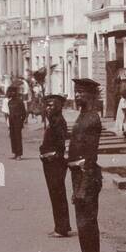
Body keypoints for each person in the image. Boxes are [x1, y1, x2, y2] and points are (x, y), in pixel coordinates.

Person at [66, 78, 104, 252]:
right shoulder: (84, 116)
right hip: (80, 175)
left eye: (81, 92)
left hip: (86, 177)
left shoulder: (91, 119)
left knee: (86, 224)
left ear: (91, 95)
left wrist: (82, 187)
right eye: (76, 92)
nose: (78, 95)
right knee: (83, 224)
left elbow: (90, 157)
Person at [39, 93, 72, 238]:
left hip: (55, 164)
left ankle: (61, 228)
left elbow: (60, 146)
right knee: (56, 194)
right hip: (51, 163)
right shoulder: (54, 121)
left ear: (58, 106)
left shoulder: (58, 122)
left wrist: (49, 155)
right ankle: (61, 226)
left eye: (51, 105)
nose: (47, 108)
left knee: (57, 194)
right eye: (46, 105)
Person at [6, 82, 27, 159]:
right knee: (12, 137)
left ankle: (19, 154)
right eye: (11, 92)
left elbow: (24, 113)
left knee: (18, 137)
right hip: (11, 121)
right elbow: (9, 113)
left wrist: (21, 121)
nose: (12, 93)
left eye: (14, 91)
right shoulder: (9, 102)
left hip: (18, 121)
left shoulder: (20, 102)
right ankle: (15, 152)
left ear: (16, 92)